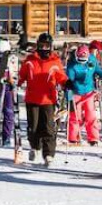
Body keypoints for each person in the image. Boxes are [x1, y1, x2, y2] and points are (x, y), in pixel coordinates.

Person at [19, 33, 66, 166]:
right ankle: (35, 147)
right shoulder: (30, 60)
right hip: (32, 98)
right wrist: (13, 82)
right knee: (33, 127)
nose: (44, 48)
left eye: (47, 46)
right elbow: (22, 76)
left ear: (50, 47)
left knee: (48, 128)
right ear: (38, 46)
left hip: (48, 99)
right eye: (42, 46)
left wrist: (67, 83)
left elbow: (61, 76)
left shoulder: (55, 61)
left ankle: (49, 154)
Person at [66, 44, 102, 145]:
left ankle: (93, 138)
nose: (82, 62)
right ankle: (73, 137)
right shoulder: (72, 64)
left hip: (88, 91)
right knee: (75, 116)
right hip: (75, 92)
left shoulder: (92, 60)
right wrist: (69, 86)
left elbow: (97, 70)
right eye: (80, 59)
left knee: (91, 115)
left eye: (84, 60)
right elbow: (69, 78)